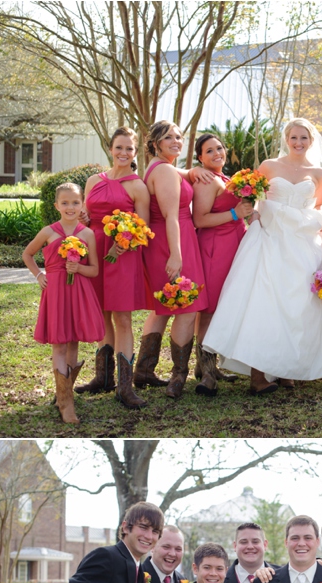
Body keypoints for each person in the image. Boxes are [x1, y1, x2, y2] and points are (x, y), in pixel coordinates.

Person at [203, 118, 322, 393]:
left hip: (303, 242)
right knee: (265, 303)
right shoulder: (269, 166)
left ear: (311, 141)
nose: (298, 143)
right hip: (270, 240)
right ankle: (259, 375)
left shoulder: (318, 174)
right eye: (294, 137)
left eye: (304, 138)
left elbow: (318, 209)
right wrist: (252, 214)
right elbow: (250, 194)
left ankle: (290, 369)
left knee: (300, 305)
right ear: (286, 139)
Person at [133, 121, 212, 400]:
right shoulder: (164, 170)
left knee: (163, 306)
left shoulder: (158, 166)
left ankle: (143, 370)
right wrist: (176, 255)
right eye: (169, 137)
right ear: (155, 142)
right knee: (186, 308)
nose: (176, 141)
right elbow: (170, 216)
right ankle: (178, 377)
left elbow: (181, 173)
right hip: (173, 240)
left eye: (179, 137)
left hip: (166, 240)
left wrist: (193, 171)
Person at [78, 127, 150, 409]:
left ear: (135, 153)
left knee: (122, 318)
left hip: (122, 254)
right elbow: (86, 217)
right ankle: (103, 378)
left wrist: (125, 243)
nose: (123, 153)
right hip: (94, 250)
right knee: (101, 313)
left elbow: (142, 228)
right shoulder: (93, 181)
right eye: (119, 147)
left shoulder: (138, 186)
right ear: (110, 148)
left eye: (129, 149)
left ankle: (124, 387)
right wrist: (83, 218)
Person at [23, 182, 102, 425]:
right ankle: (66, 403)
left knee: (73, 340)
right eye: (65, 203)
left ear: (82, 205)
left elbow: (95, 270)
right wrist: (39, 275)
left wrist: (78, 268)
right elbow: (28, 254)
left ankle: (65, 394)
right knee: (59, 343)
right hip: (56, 291)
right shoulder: (48, 232)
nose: (70, 207)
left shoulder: (87, 234)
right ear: (56, 205)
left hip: (78, 291)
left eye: (75, 202)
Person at [192, 133, 254, 396]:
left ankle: (212, 365)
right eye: (209, 151)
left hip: (235, 245)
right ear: (200, 158)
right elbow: (200, 219)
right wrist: (234, 214)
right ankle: (205, 371)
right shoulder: (206, 180)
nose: (217, 153)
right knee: (209, 308)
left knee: (222, 306)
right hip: (215, 248)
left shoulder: (227, 178)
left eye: (219, 148)